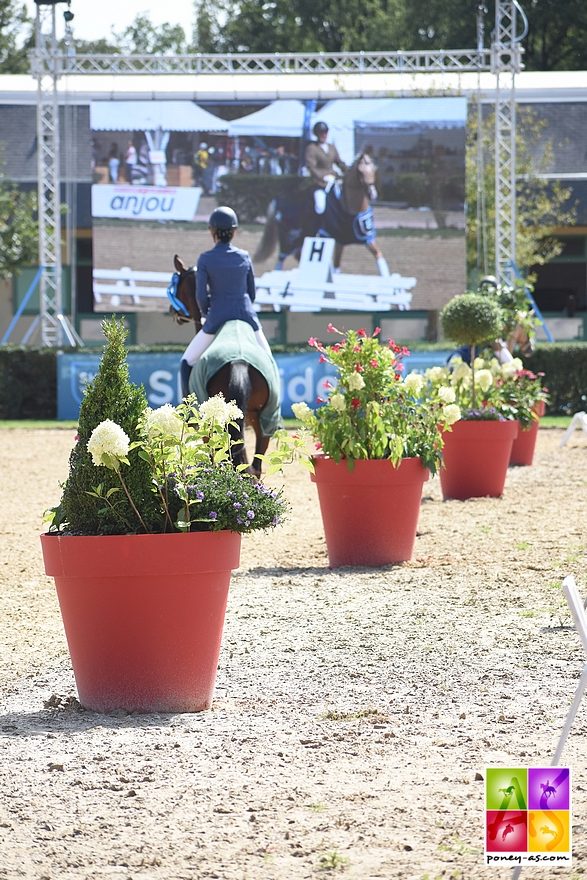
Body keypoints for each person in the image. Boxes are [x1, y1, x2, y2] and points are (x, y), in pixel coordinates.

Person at [180, 206, 272, 394]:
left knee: (186, 362)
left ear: (212, 231)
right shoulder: (244, 256)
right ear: (234, 231)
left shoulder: (205, 258)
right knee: (269, 361)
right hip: (247, 317)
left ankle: (188, 412)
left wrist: (208, 314)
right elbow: (251, 293)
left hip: (217, 319)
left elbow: (200, 296)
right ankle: (273, 413)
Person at [304, 121, 347, 213]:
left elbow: (339, 162)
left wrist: (349, 171)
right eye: (321, 133)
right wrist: (323, 177)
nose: (324, 135)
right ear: (317, 134)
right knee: (320, 207)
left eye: (325, 132)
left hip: (333, 181)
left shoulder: (331, 147)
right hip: (319, 184)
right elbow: (311, 167)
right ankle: (319, 226)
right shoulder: (312, 148)